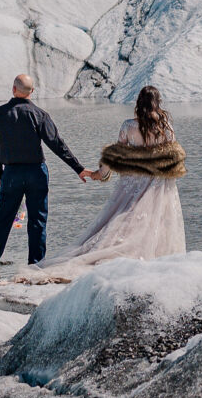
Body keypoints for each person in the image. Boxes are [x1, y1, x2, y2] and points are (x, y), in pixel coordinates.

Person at [25, 85, 186, 282]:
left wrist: (99, 174)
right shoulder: (165, 126)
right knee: (155, 220)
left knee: (126, 217)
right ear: (157, 102)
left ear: (138, 103)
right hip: (157, 183)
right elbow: (172, 156)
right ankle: (154, 254)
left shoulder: (128, 126)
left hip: (133, 180)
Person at [0, 74, 93, 284]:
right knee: (37, 222)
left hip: (11, 174)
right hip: (36, 173)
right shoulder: (39, 114)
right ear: (31, 92)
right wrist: (78, 168)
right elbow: (57, 144)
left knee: (2, 222)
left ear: (13, 89)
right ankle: (35, 267)